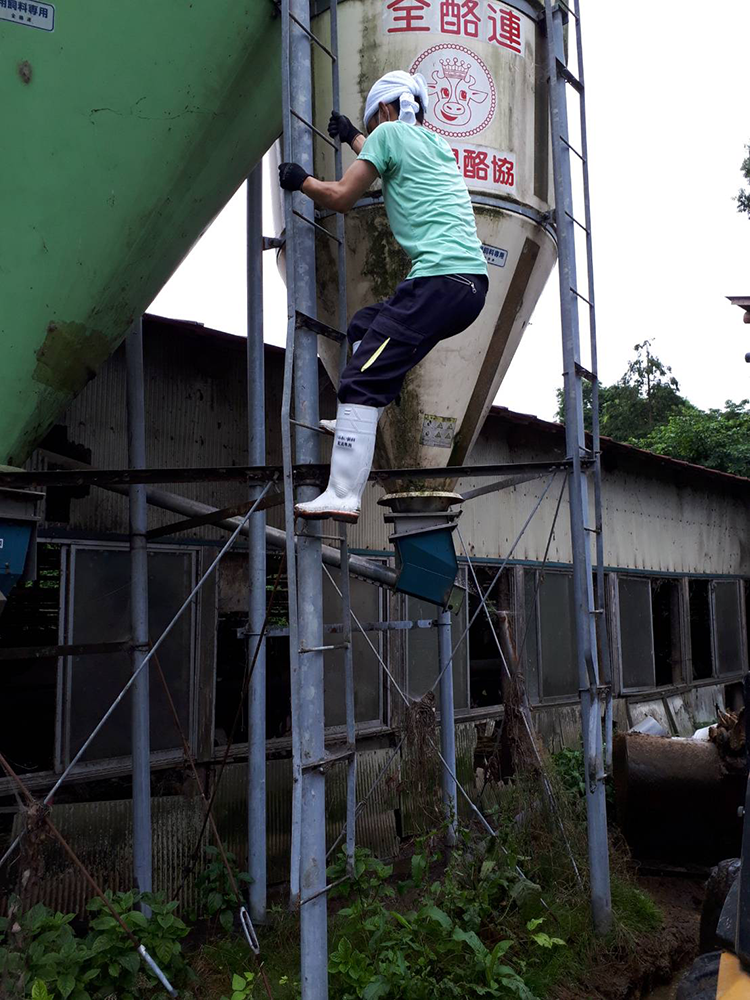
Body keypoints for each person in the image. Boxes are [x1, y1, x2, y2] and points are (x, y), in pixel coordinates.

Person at [278, 70, 488, 523]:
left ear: (387, 110)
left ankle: (342, 494)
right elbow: (384, 150)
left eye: (372, 123)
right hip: (468, 285)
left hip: (437, 281)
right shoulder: (434, 143)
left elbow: (340, 197)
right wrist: (353, 135)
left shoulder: (388, 134)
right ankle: (356, 420)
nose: (371, 135)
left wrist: (302, 180)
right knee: (365, 326)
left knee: (360, 380)